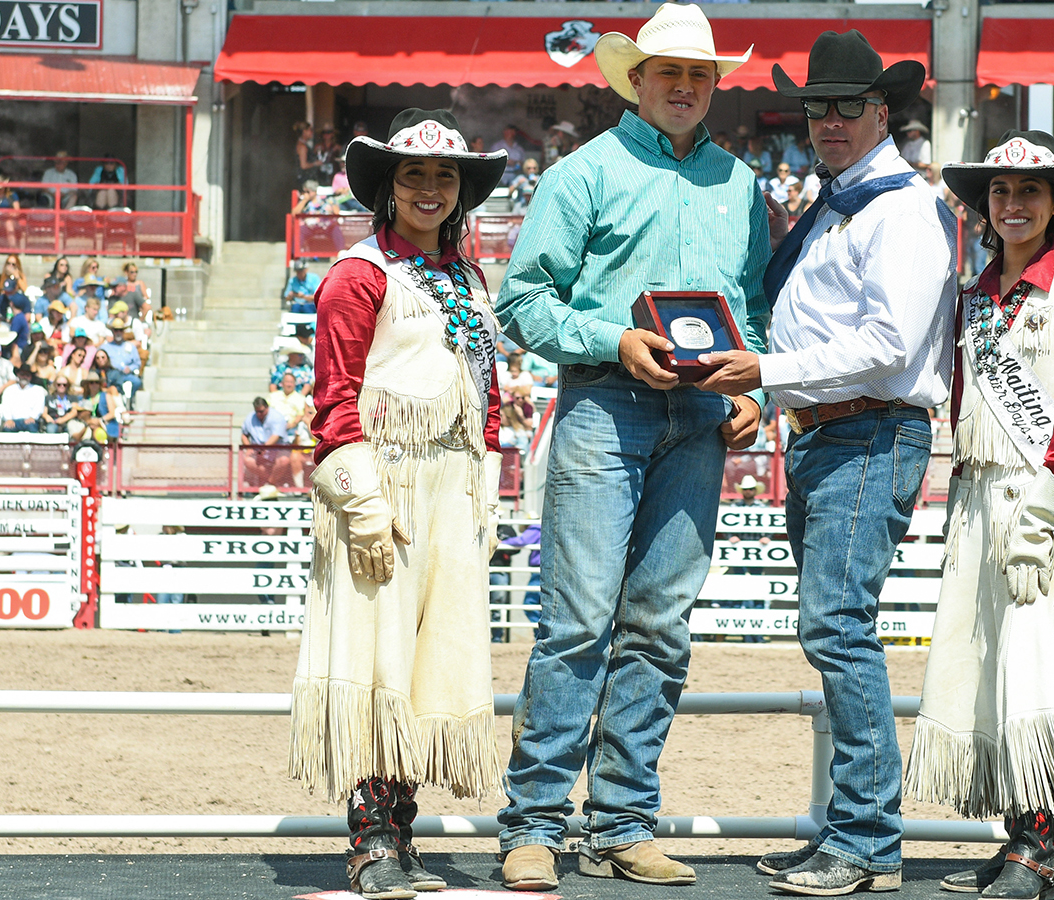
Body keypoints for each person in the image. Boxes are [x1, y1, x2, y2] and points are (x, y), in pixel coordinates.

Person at [491, 6, 767, 892]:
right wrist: (617, 342)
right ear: (635, 80)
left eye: (700, 75)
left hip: (698, 419)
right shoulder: (583, 175)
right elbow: (521, 303)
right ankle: (533, 823)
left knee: (658, 627)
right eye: (669, 73)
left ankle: (618, 821)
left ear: (714, 86)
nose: (685, 87)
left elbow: (754, 312)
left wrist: (754, 390)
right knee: (577, 622)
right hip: (605, 406)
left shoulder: (742, 186)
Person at [692, 30, 950, 895]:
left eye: (845, 106)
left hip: (868, 430)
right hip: (833, 433)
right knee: (837, 628)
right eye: (816, 107)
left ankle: (868, 838)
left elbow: (888, 346)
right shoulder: (851, 201)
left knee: (837, 628)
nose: (828, 121)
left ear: (882, 111)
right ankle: (855, 829)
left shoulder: (898, 209)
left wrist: (763, 373)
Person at [289, 108, 508, 900]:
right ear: (386, 188)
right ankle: (372, 840)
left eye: (444, 175)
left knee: (428, 666)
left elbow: (486, 392)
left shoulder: (469, 280)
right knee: (377, 658)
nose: (429, 188)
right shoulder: (357, 275)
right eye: (413, 174)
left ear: (460, 191)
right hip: (385, 488)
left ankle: (402, 832)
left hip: (451, 490)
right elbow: (333, 399)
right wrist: (363, 506)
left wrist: (483, 476)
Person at [902, 128, 1054, 900]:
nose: (1013, 204)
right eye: (1000, 192)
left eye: (1028, 191)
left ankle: (1040, 843)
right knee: (986, 664)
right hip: (977, 498)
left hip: (1043, 504)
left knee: (1037, 667)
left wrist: (1046, 511)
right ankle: (1021, 841)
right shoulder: (976, 297)